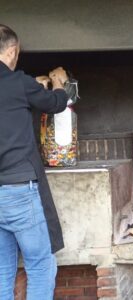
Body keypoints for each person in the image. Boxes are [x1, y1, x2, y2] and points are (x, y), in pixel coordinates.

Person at [0, 24, 69, 299]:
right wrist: (58, 82)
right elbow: (55, 103)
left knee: (3, 271)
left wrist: (32, 87)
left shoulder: (20, 86)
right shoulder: (17, 82)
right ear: (13, 50)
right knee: (41, 267)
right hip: (19, 191)